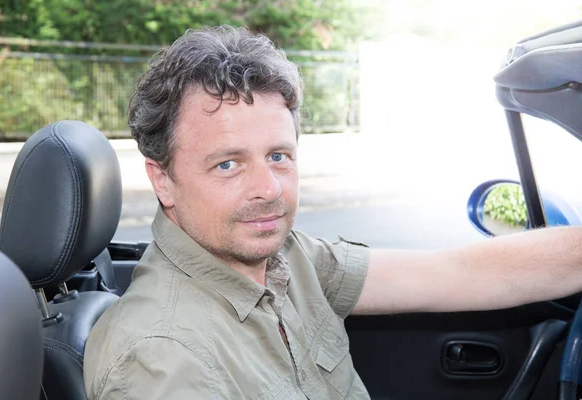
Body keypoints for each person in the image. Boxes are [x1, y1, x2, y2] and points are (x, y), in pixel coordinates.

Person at [83, 25, 582, 400]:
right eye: (228, 163)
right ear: (162, 180)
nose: (268, 189)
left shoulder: (284, 259)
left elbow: (454, 273)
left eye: (279, 156)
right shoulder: (162, 360)